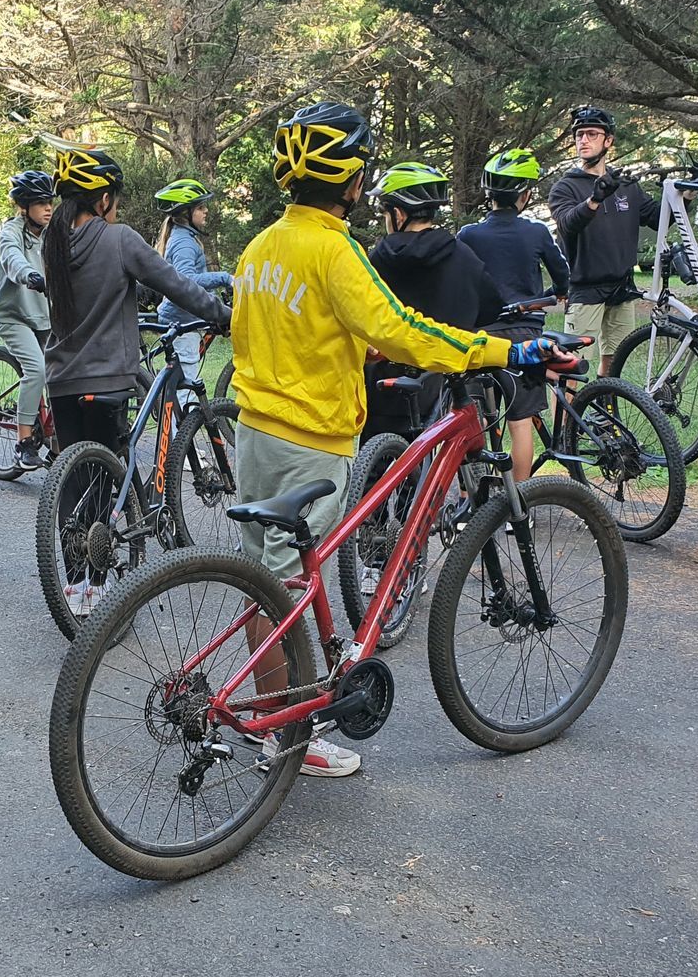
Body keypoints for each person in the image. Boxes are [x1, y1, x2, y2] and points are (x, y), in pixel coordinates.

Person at [229, 102, 578, 778]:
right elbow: (404, 329)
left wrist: (358, 348)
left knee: (263, 580)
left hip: (255, 430)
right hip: (312, 438)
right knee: (291, 586)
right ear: (354, 182)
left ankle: (274, 714)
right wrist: (496, 353)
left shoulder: (263, 245)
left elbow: (275, 330)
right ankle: (289, 737)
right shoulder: (335, 250)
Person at [39, 146, 231, 616]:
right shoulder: (120, 238)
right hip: (108, 377)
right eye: (115, 198)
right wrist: (223, 315)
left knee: (74, 478)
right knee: (108, 475)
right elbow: (178, 284)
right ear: (103, 199)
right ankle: (100, 584)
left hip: (62, 379)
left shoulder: (52, 243)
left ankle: (75, 584)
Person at [363, 161, 500, 441]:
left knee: (378, 476)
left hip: (383, 388)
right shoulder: (463, 255)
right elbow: (491, 308)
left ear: (398, 213)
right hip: (441, 388)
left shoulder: (376, 259)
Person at [458, 148, 572, 478]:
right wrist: (560, 293)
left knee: (476, 417)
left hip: (480, 338)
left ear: (488, 194)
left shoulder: (468, 235)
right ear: (525, 195)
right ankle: (521, 505)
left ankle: (472, 502)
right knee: (520, 420)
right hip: (525, 337)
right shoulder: (536, 231)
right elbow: (562, 274)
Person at [546, 106, 659, 373]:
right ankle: (567, 416)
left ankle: (604, 414)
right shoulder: (566, 186)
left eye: (592, 134)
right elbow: (567, 224)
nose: (583, 140)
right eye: (579, 135)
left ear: (608, 141)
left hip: (622, 286)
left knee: (615, 361)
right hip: (585, 288)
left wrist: (686, 193)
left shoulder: (626, 185)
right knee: (570, 365)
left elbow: (656, 216)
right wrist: (595, 198)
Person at [0, 170, 55, 469]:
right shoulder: (11, 232)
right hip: (13, 316)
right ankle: (24, 441)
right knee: (37, 369)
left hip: (44, 316)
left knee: (63, 371)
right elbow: (12, 257)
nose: (48, 208)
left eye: (50, 202)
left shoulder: (52, 234)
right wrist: (28, 274)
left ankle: (58, 440)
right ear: (24, 206)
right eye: (41, 203)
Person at [152, 178, 235, 387]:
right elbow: (186, 281)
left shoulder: (184, 237)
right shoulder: (184, 242)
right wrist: (225, 278)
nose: (206, 211)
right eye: (200, 207)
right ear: (185, 213)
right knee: (187, 387)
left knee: (181, 382)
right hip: (182, 323)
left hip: (182, 319)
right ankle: (183, 420)